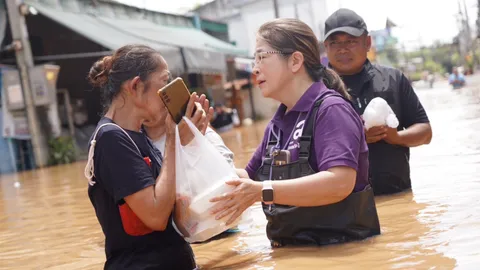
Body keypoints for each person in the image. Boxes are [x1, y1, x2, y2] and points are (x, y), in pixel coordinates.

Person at [210, 18, 380, 247]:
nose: (255, 68)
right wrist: (198, 140)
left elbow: (340, 182)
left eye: (262, 57)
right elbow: (246, 181)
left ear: (295, 61)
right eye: (254, 59)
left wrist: (264, 191)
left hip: (340, 252)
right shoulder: (277, 124)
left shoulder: (331, 110)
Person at [84, 44, 212, 269]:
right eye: (164, 83)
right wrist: (173, 140)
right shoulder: (110, 139)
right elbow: (155, 216)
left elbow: (171, 200)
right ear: (135, 86)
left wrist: (186, 143)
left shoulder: (138, 135)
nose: (168, 94)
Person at [323, 9, 433, 195]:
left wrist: (396, 137)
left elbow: (425, 132)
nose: (342, 49)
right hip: (342, 207)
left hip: (396, 196)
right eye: (334, 43)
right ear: (326, 47)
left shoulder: (393, 79)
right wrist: (355, 139)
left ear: (367, 42)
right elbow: (304, 148)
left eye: (350, 41)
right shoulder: (316, 89)